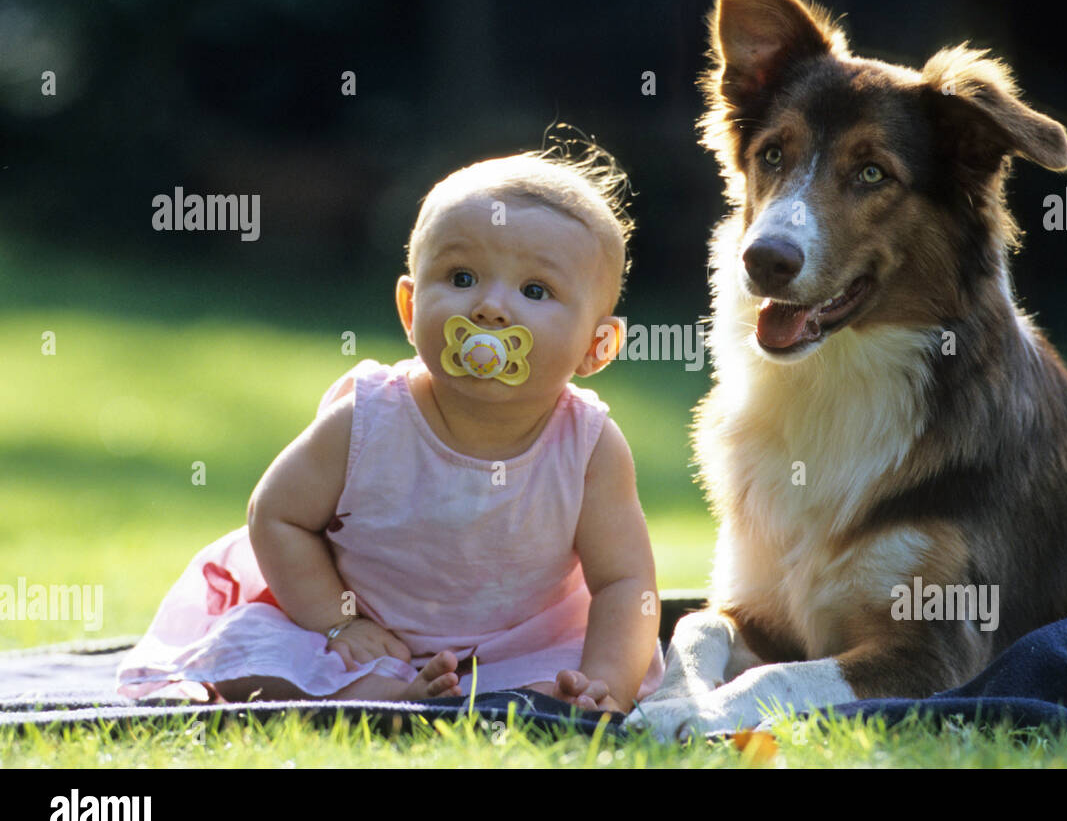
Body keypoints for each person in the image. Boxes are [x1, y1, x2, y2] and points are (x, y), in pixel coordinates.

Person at [117, 140, 665, 712]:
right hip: (363, 632)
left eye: (535, 291)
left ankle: (480, 696)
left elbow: (624, 584)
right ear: (409, 309)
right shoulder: (369, 417)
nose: (490, 309)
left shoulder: (588, 445)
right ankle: (384, 693)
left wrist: (606, 681)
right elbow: (277, 515)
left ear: (597, 347)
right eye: (460, 277)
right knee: (255, 657)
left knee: (558, 685)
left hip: (519, 645)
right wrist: (338, 623)